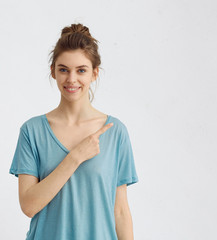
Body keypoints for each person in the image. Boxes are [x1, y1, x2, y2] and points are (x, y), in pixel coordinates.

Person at [9, 23, 139, 240]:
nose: (71, 79)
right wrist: (76, 157)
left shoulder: (116, 133)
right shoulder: (32, 131)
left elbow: (121, 212)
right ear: (53, 72)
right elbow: (29, 205)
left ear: (94, 73)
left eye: (81, 70)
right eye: (63, 70)